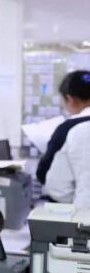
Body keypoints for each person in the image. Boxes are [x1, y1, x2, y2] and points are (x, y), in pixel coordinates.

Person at [41, 70, 90, 207]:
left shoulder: (71, 130)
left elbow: (57, 187)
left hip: (84, 214)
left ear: (69, 100)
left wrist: (80, 196)